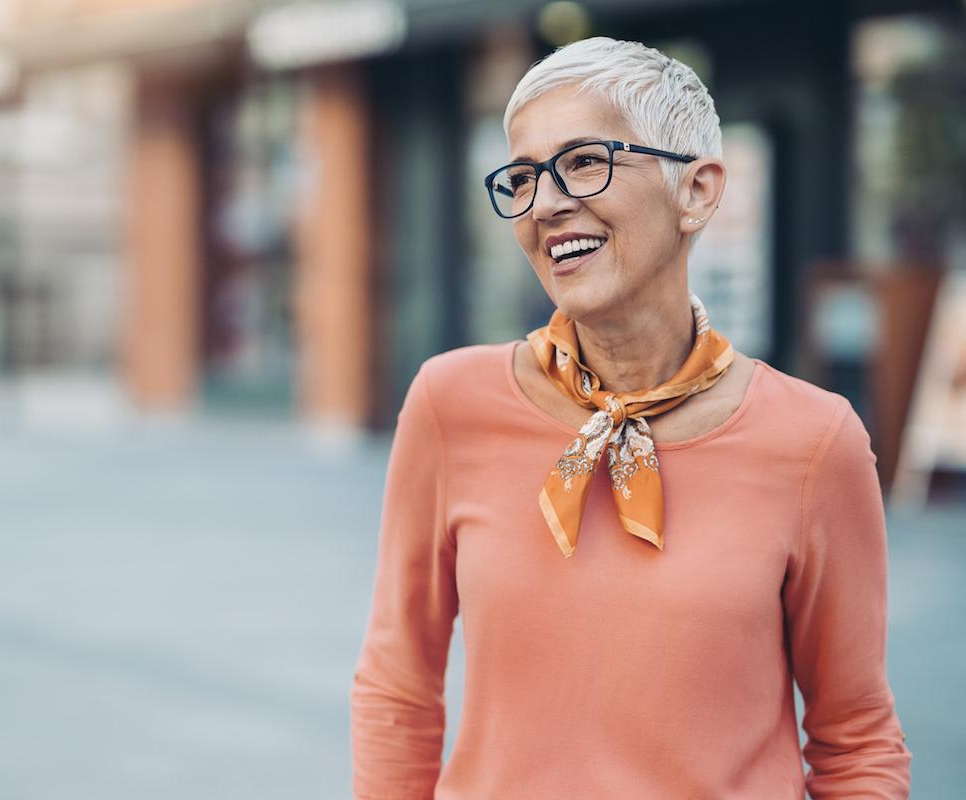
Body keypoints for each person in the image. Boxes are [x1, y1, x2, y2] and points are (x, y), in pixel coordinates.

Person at [350, 37, 911, 799]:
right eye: (522, 177)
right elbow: (397, 693)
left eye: (584, 162)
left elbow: (856, 740)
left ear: (699, 191)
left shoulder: (817, 442)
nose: (545, 203)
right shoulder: (450, 403)